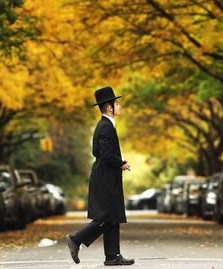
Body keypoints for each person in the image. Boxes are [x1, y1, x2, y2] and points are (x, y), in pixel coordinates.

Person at [66, 86, 134, 266]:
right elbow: (103, 153)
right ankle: (76, 240)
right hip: (105, 178)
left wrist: (118, 162)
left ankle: (113, 256)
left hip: (105, 175)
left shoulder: (104, 125)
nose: (119, 106)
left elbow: (97, 151)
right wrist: (120, 162)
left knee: (113, 215)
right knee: (106, 217)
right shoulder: (105, 126)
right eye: (117, 103)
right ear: (109, 107)